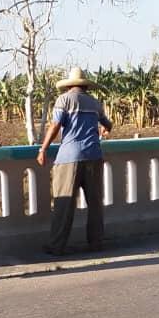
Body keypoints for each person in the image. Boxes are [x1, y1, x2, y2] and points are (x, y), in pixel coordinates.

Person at [37, 66, 112, 255]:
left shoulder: (64, 100)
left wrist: (43, 148)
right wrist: (104, 130)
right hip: (94, 156)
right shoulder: (95, 103)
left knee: (64, 203)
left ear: (69, 86)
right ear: (86, 86)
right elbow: (107, 124)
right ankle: (96, 242)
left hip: (69, 157)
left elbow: (55, 125)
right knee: (95, 202)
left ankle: (57, 245)